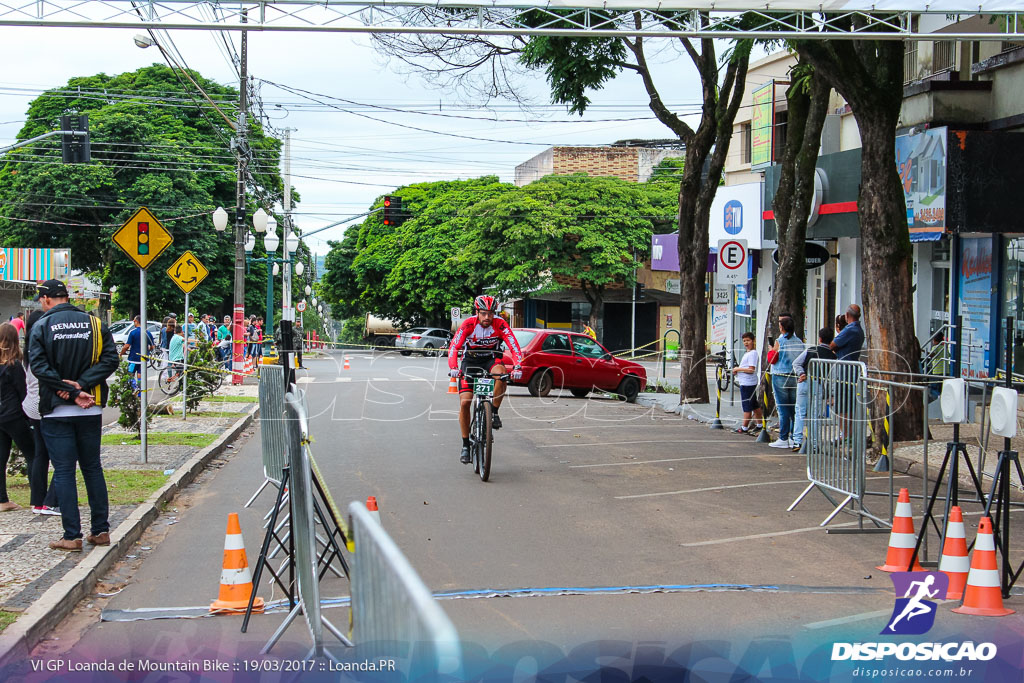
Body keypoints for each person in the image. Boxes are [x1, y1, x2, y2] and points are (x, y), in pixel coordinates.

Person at [28, 279, 118, 552]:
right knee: (92, 468)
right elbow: (110, 359)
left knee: (64, 470)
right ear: (67, 297)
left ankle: (72, 535)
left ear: (45, 299)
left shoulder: (42, 325)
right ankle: (101, 531)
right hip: (90, 407)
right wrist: (82, 385)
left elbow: (38, 367)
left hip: (56, 410)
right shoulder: (95, 324)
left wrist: (67, 388)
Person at [447, 296, 523, 464]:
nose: (487, 317)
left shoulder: (500, 324)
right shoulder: (468, 324)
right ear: (477, 313)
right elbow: (454, 347)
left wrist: (518, 366)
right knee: (465, 402)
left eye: (490, 314)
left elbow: (514, 346)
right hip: (471, 361)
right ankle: (466, 445)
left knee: (502, 374)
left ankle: (494, 412)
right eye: (483, 314)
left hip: (491, 359)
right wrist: (453, 367)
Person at [23, 310, 59, 516]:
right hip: (45, 406)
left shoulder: (27, 349)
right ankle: (51, 501)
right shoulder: (43, 348)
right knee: (63, 457)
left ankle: (37, 501)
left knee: (40, 454)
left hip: (31, 406)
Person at [0, 323, 33, 512]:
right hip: (14, 415)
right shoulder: (14, 366)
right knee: (33, 453)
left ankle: (2, 500)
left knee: (1, 457)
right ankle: (39, 497)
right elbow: (23, 393)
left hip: (1, 415)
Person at [791, 327, 837, 452]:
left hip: (804, 382)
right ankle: (814, 444)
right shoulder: (833, 357)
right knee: (815, 415)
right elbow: (833, 378)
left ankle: (797, 441)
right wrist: (831, 394)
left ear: (819, 338)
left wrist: (801, 374)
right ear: (831, 340)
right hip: (818, 384)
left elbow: (796, 363)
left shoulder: (811, 350)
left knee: (799, 411)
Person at [769, 315, 804, 449]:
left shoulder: (779, 341)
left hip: (780, 375)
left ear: (781, 327)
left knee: (782, 408)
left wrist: (772, 348)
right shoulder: (799, 342)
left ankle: (783, 437)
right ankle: (794, 436)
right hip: (794, 376)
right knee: (794, 408)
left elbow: (773, 357)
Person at [732, 332, 763, 435]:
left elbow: (751, 369)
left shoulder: (753, 354)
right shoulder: (747, 353)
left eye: (748, 340)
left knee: (747, 406)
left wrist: (738, 368)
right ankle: (760, 424)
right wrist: (738, 371)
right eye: (744, 341)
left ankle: (744, 427)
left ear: (753, 341)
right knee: (754, 404)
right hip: (747, 382)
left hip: (748, 383)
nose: (746, 343)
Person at [119, 315, 155, 388]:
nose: (133, 322)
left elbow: (126, 346)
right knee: (140, 374)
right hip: (144, 358)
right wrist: (148, 350)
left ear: (137, 321)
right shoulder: (148, 333)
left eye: (134, 321)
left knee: (130, 374)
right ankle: (140, 392)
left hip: (133, 358)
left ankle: (134, 389)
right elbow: (152, 346)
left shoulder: (133, 332)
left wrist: (121, 354)